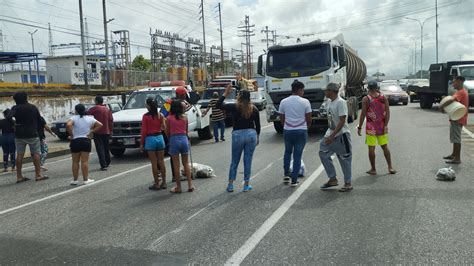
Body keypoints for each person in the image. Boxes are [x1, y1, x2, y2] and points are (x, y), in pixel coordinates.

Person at [217, 84, 260, 192]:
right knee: (248, 160)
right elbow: (258, 126)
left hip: (237, 135)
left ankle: (230, 185)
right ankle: (246, 185)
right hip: (251, 134)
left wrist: (225, 94)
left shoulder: (234, 106)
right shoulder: (254, 108)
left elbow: (219, 105)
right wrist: (257, 137)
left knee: (234, 161)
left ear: (239, 97)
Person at [6, 91, 48, 183]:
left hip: (19, 133)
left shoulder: (15, 108)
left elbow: (8, 117)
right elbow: (39, 119)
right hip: (32, 133)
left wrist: (15, 124)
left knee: (20, 154)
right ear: (26, 98)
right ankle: (38, 175)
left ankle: (19, 176)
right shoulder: (33, 107)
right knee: (36, 153)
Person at [357, 80, 396, 175]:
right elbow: (388, 112)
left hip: (371, 127)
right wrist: (386, 125)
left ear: (368, 88)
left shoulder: (366, 99)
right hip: (381, 126)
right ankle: (390, 167)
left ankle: (373, 169)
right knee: (384, 147)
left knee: (371, 148)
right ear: (377, 88)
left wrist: (360, 127)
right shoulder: (383, 97)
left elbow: (362, 114)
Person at [319, 83, 353, 192]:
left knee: (344, 158)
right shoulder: (329, 102)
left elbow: (342, 121)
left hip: (341, 135)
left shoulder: (341, 102)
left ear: (332, 91)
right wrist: (329, 135)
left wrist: (332, 136)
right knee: (323, 152)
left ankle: (348, 183)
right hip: (330, 133)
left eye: (326, 90)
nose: (325, 92)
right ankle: (332, 178)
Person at [278, 80, 312, 187]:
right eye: (303, 90)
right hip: (301, 131)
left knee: (287, 152)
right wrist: (306, 128)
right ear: (300, 90)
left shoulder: (284, 101)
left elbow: (281, 117)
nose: (303, 92)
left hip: (288, 130)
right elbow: (309, 118)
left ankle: (286, 175)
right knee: (297, 155)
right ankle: (294, 180)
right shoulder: (305, 102)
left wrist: (286, 126)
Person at [66, 104, 103, 185]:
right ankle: (85, 179)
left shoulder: (73, 118)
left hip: (75, 141)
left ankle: (75, 180)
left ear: (76, 110)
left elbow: (68, 125)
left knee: (75, 161)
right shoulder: (90, 118)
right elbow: (100, 125)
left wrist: (71, 135)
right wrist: (91, 132)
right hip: (86, 140)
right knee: (84, 161)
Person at [165, 100, 194, 193]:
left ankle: (178, 187)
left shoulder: (168, 118)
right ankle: (190, 185)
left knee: (176, 165)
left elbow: (167, 132)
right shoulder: (185, 117)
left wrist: (170, 139)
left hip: (174, 139)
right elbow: (186, 131)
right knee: (186, 163)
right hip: (184, 139)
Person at [440, 76, 469, 164]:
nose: (453, 84)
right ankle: (454, 155)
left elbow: (451, 100)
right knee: (454, 137)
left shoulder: (460, 92)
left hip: (458, 118)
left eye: (454, 82)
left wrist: (442, 106)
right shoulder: (463, 92)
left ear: (460, 82)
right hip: (458, 117)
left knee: (456, 139)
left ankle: (457, 158)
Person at [140, 98, 167, 191]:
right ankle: (164, 182)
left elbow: (144, 131)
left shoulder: (145, 116)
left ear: (149, 106)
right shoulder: (161, 115)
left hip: (150, 139)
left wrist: (141, 143)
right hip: (160, 138)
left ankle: (157, 183)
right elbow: (163, 127)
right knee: (161, 161)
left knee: (154, 163)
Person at [87, 95, 113, 171]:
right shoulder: (107, 109)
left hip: (97, 130)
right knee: (106, 147)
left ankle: (103, 165)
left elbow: (87, 113)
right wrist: (111, 130)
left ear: (96, 101)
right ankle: (107, 162)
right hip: (107, 130)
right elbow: (111, 120)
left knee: (100, 148)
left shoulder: (95, 108)